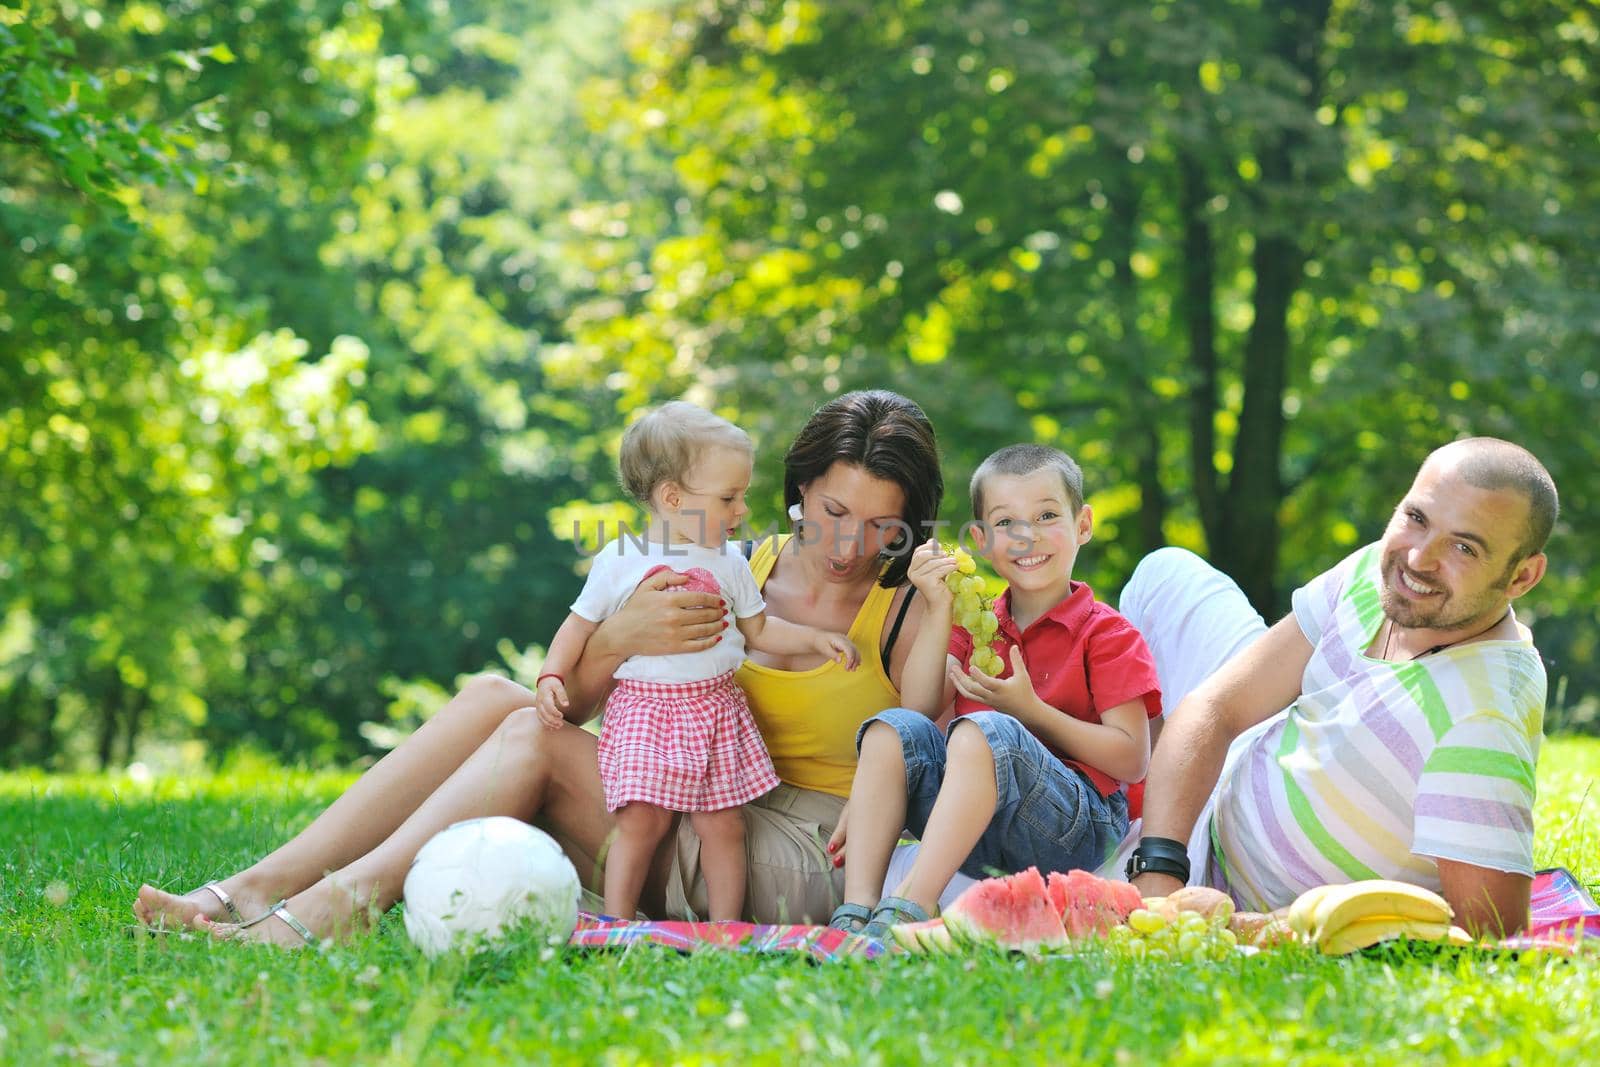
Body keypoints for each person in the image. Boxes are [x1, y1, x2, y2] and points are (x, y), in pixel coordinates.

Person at [131, 390, 943, 945]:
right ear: (799, 489)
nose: (849, 545)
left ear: (909, 525)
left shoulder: (913, 605)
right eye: (834, 513)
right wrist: (620, 635)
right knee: (497, 698)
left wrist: (942, 618)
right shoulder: (731, 565)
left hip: (797, 852)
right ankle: (252, 887)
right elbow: (574, 708)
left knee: (534, 744)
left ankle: (327, 911)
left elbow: (929, 755)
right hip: (684, 786)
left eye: (880, 525)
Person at [1122, 437, 1557, 937]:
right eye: (1416, 518)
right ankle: (1123, 790)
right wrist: (1157, 868)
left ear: (1523, 576)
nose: (1418, 558)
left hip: (1230, 891)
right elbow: (1219, 707)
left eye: (1463, 547)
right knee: (1166, 572)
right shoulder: (1379, 570)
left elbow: (1490, 929)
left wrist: (1251, 925)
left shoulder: (1483, 718)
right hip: (1208, 799)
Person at [535, 402, 858, 921]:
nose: (742, 511)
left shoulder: (730, 562)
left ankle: (725, 932)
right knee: (642, 822)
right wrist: (551, 674)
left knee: (724, 826)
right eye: (729, 497)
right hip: (645, 711)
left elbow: (759, 628)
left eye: (743, 496)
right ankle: (620, 923)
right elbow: (578, 625)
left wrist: (816, 639)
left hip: (715, 712)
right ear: (672, 497)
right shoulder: (619, 560)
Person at [828, 445, 1161, 937]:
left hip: (1075, 828)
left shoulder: (1106, 633)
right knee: (891, 728)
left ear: (1083, 525)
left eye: (1047, 515)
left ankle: (908, 909)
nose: (1027, 536)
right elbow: (918, 709)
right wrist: (938, 607)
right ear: (981, 540)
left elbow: (1133, 759)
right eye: (1007, 523)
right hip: (976, 831)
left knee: (988, 730)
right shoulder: (980, 626)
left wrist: (1032, 712)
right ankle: (857, 910)